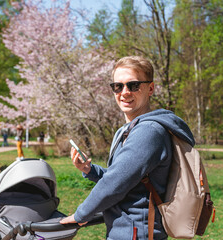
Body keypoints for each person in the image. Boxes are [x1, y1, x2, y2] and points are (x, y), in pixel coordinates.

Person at [60, 56, 195, 239]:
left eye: (133, 85)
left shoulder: (148, 131)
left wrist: (81, 214)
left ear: (151, 88)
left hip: (136, 233)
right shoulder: (129, 129)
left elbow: (115, 182)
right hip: (128, 230)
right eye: (118, 86)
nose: (124, 92)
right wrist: (89, 169)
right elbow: (125, 177)